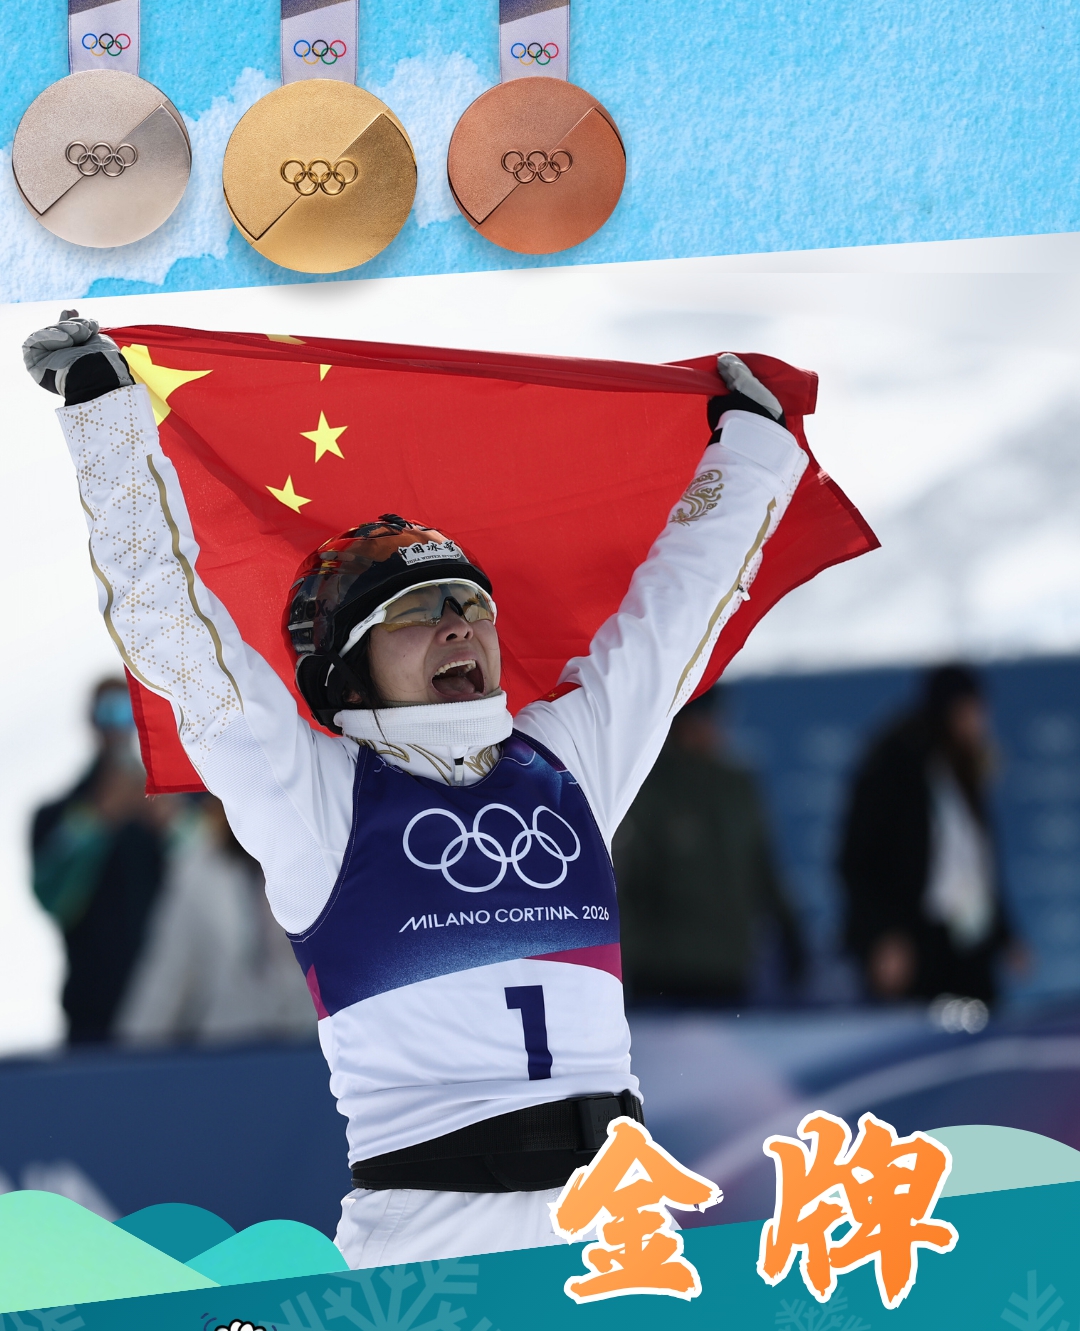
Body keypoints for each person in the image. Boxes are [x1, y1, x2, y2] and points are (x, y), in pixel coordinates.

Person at [24, 314, 809, 1266]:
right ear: (349, 676)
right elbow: (178, 637)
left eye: (470, 603)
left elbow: (675, 615)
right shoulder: (316, 802)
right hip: (432, 1243)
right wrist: (105, 419)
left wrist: (752, 451)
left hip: (617, 1229)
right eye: (416, 613)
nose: (459, 626)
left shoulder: (567, 762)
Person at [838, 663, 1021, 1008]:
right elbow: (859, 861)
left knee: (981, 1030)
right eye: (970, 710)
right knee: (919, 1034)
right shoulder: (894, 764)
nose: (980, 722)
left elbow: (976, 862)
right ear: (949, 710)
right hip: (916, 945)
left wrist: (1006, 936)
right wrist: (883, 936)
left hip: (969, 942)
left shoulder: (964, 768)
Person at [614, 690, 804, 1005]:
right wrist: (631, 953)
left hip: (728, 967)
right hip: (662, 972)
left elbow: (763, 868)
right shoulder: (645, 785)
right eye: (702, 719)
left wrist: (790, 932)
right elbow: (625, 881)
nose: (711, 728)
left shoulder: (738, 786)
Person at [116, 795, 319, 1046]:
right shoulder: (196, 874)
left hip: (311, 1040)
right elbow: (166, 976)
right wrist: (131, 1055)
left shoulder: (313, 859)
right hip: (230, 1043)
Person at [31, 677, 167, 1042]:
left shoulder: (166, 813)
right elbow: (51, 897)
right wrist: (99, 820)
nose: (117, 725)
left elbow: (216, 873)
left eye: (128, 712)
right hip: (92, 1010)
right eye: (109, 712)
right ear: (91, 721)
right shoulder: (54, 817)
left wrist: (169, 826)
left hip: (172, 1006)